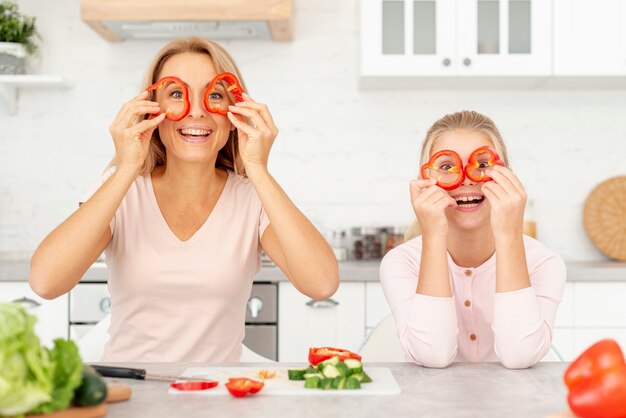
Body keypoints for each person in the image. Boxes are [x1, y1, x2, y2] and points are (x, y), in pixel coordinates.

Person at [29, 37, 339, 362]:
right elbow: (45, 282)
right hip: (133, 394)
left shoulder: (252, 197)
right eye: (177, 94)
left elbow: (322, 284)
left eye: (215, 95)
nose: (197, 111)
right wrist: (127, 167)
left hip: (219, 397)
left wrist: (258, 169)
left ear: (234, 112)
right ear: (152, 109)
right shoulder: (122, 190)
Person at [380, 110, 566, 369]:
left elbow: (520, 356)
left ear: (507, 177)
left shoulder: (544, 262)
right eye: (447, 167)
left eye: (481, 165)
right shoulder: (401, 262)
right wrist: (433, 235)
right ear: (427, 180)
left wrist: (510, 234)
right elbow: (432, 356)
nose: (466, 179)